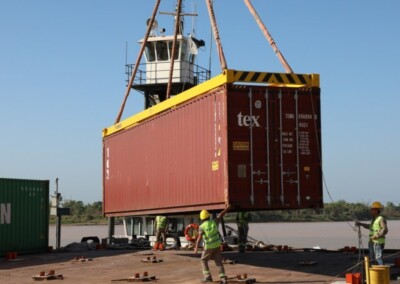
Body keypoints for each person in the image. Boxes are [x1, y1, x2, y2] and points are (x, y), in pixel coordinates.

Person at [194, 205, 230, 284]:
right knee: (218, 262)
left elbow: (199, 238)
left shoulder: (202, 226)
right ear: (208, 216)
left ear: (202, 218)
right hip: (217, 245)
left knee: (203, 260)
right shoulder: (214, 222)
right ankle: (223, 278)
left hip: (209, 247)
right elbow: (221, 214)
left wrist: (196, 248)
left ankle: (208, 277)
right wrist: (227, 208)